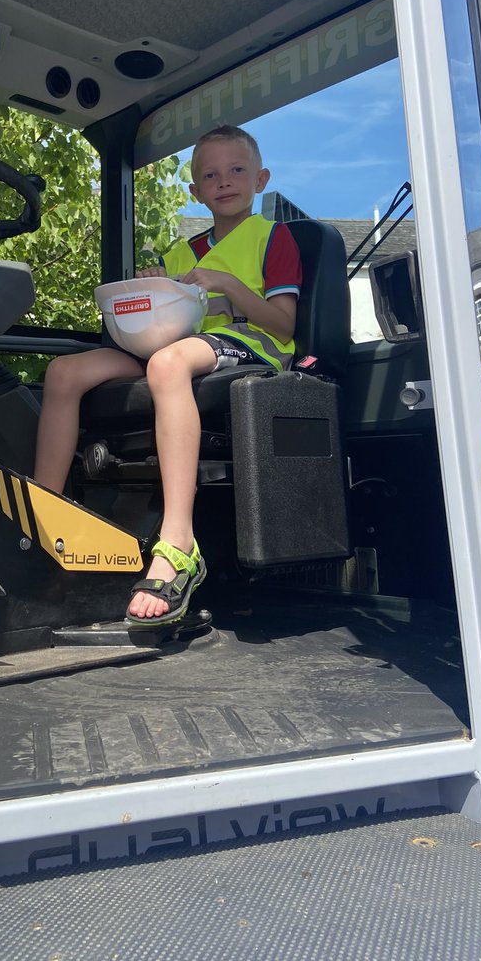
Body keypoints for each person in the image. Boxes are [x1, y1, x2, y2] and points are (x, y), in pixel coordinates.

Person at [33, 125, 302, 627]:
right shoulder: (180, 253)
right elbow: (161, 318)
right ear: (196, 190)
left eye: (237, 170)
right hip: (171, 342)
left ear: (261, 178)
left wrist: (226, 285)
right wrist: (146, 292)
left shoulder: (273, 237)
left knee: (167, 365)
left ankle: (178, 541)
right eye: (210, 175)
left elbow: (283, 324)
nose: (224, 181)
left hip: (251, 347)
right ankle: (44, 522)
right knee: (64, 373)